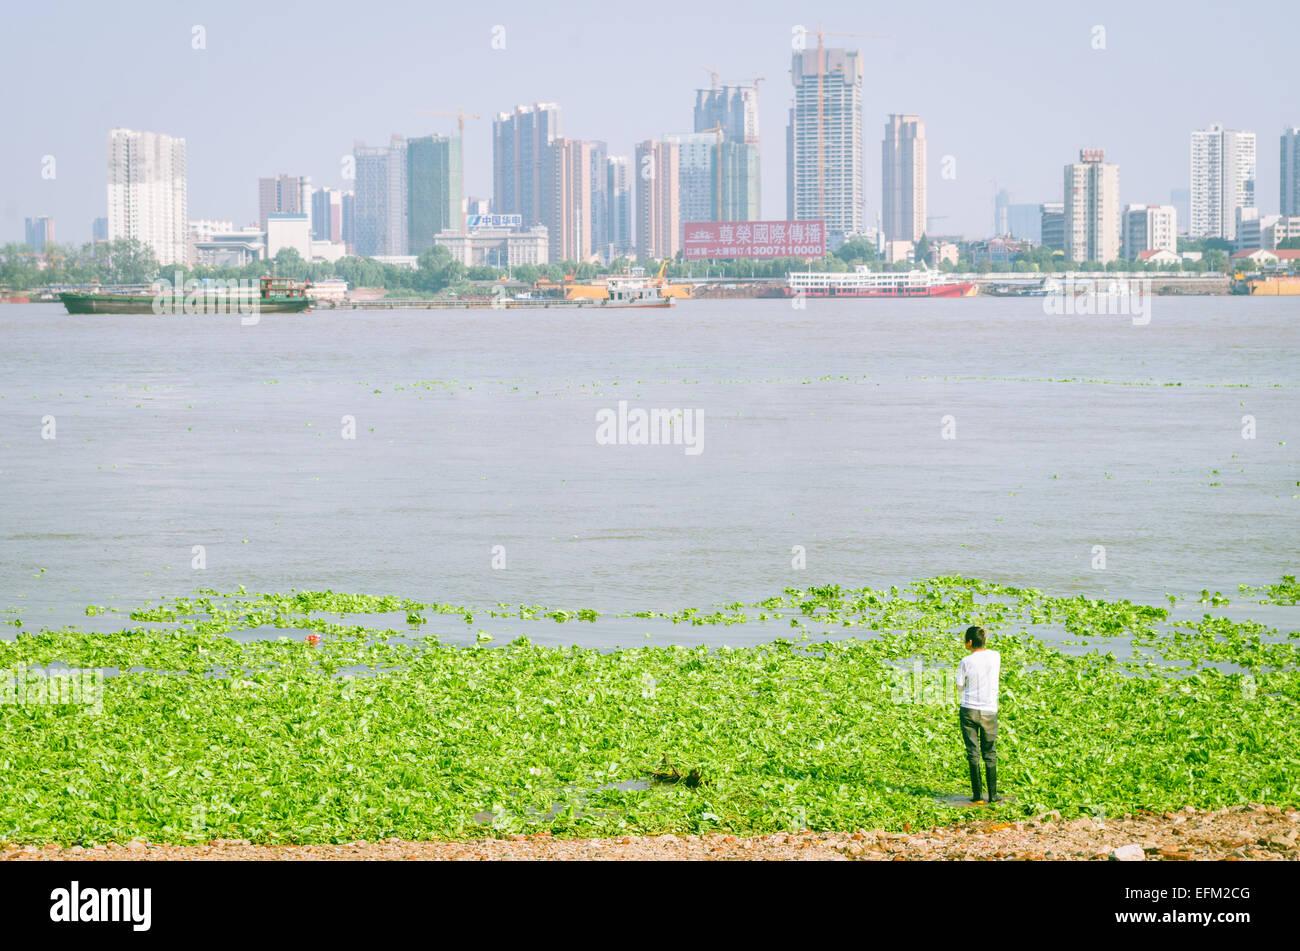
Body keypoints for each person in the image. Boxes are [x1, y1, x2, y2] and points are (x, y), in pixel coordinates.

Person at [956, 625, 1000, 803]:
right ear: (985, 641)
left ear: (970, 642)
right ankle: (993, 795)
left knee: (972, 753)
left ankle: (977, 796)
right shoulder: (995, 656)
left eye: (965, 641)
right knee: (990, 752)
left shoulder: (966, 661)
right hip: (989, 711)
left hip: (969, 710)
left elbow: (959, 687)